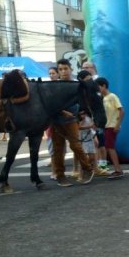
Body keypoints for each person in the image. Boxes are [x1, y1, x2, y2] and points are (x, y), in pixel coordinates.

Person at [50, 59, 95, 187]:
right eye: (60, 69)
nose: (63, 71)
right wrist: (63, 111)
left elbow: (83, 101)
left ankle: (87, 169)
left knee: (75, 146)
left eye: (65, 68)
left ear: (70, 69)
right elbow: (52, 103)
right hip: (56, 120)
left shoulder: (77, 84)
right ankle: (60, 175)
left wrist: (82, 112)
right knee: (58, 149)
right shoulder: (54, 86)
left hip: (71, 120)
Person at [96, 77, 124, 179]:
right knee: (108, 147)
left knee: (110, 147)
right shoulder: (102, 98)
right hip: (105, 126)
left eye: (98, 86)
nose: (97, 89)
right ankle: (116, 169)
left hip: (111, 126)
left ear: (104, 86)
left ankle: (118, 170)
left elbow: (121, 111)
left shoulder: (112, 96)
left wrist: (117, 124)